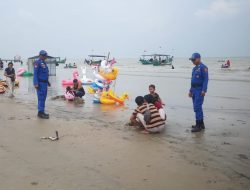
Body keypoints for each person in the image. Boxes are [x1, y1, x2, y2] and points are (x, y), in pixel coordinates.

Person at [189, 53, 209, 132]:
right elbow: (192, 81)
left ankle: (198, 125)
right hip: (194, 90)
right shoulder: (194, 69)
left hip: (199, 90)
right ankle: (201, 124)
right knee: (196, 107)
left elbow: (206, 80)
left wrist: (204, 90)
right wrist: (190, 91)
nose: (192, 61)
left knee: (197, 107)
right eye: (192, 60)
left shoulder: (203, 68)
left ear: (199, 59)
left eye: (194, 60)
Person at [33, 50, 51, 119]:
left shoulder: (44, 63)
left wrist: (48, 82)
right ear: (40, 55)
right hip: (40, 84)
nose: (45, 56)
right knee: (41, 98)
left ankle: (42, 112)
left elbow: (45, 74)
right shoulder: (37, 63)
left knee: (44, 98)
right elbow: (35, 74)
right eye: (44, 55)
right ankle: (40, 113)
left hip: (45, 83)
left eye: (45, 55)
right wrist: (36, 83)